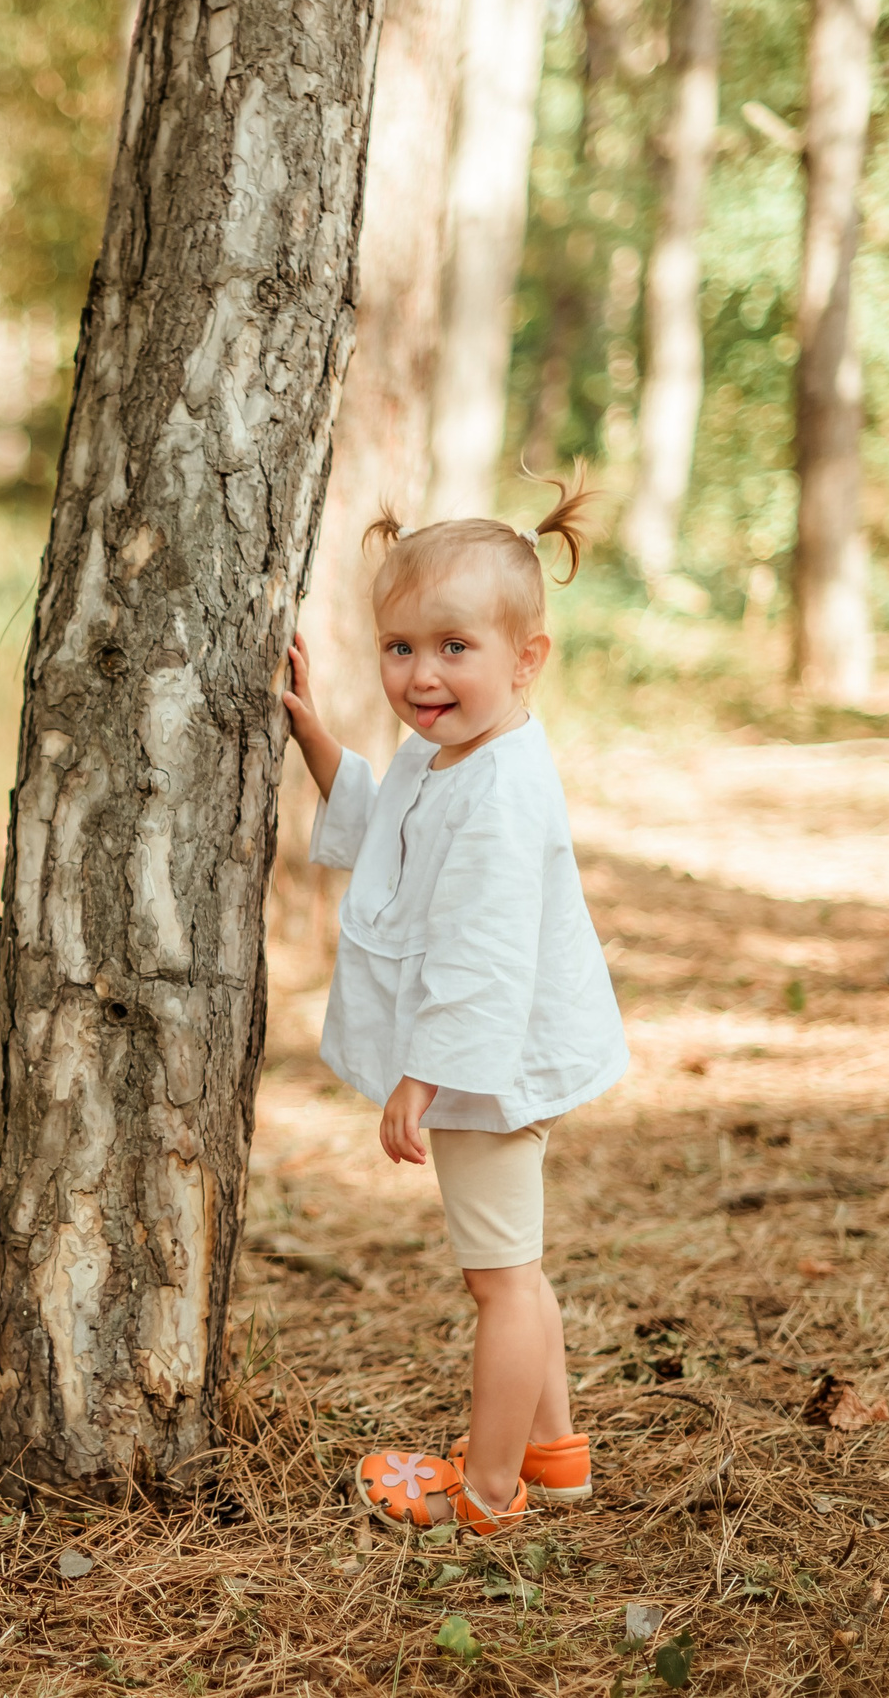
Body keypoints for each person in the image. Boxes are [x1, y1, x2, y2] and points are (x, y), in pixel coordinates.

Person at [279, 472, 627, 1536]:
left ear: (527, 660)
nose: (421, 675)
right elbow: (387, 826)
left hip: (487, 1069)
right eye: (399, 648)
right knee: (516, 1266)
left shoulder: (500, 790)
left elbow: (479, 954)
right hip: (491, 1065)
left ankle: (483, 1491)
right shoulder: (451, 754)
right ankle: (555, 1458)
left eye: (454, 649)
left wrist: (422, 1076)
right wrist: (311, 732)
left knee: (502, 1286)